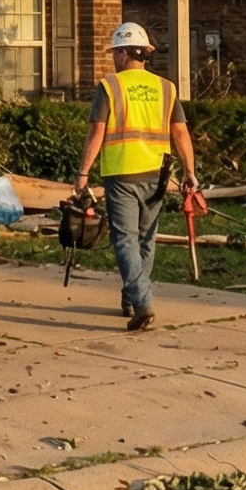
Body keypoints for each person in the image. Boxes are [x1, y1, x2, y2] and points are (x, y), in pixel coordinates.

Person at [74, 22, 199, 332]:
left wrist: (82, 174)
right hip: (157, 174)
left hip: (122, 173)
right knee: (145, 238)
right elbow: (180, 131)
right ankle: (132, 298)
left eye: (115, 52)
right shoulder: (166, 88)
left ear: (121, 52)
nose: (113, 58)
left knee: (125, 240)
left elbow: (96, 131)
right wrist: (190, 172)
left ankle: (142, 304)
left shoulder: (110, 86)